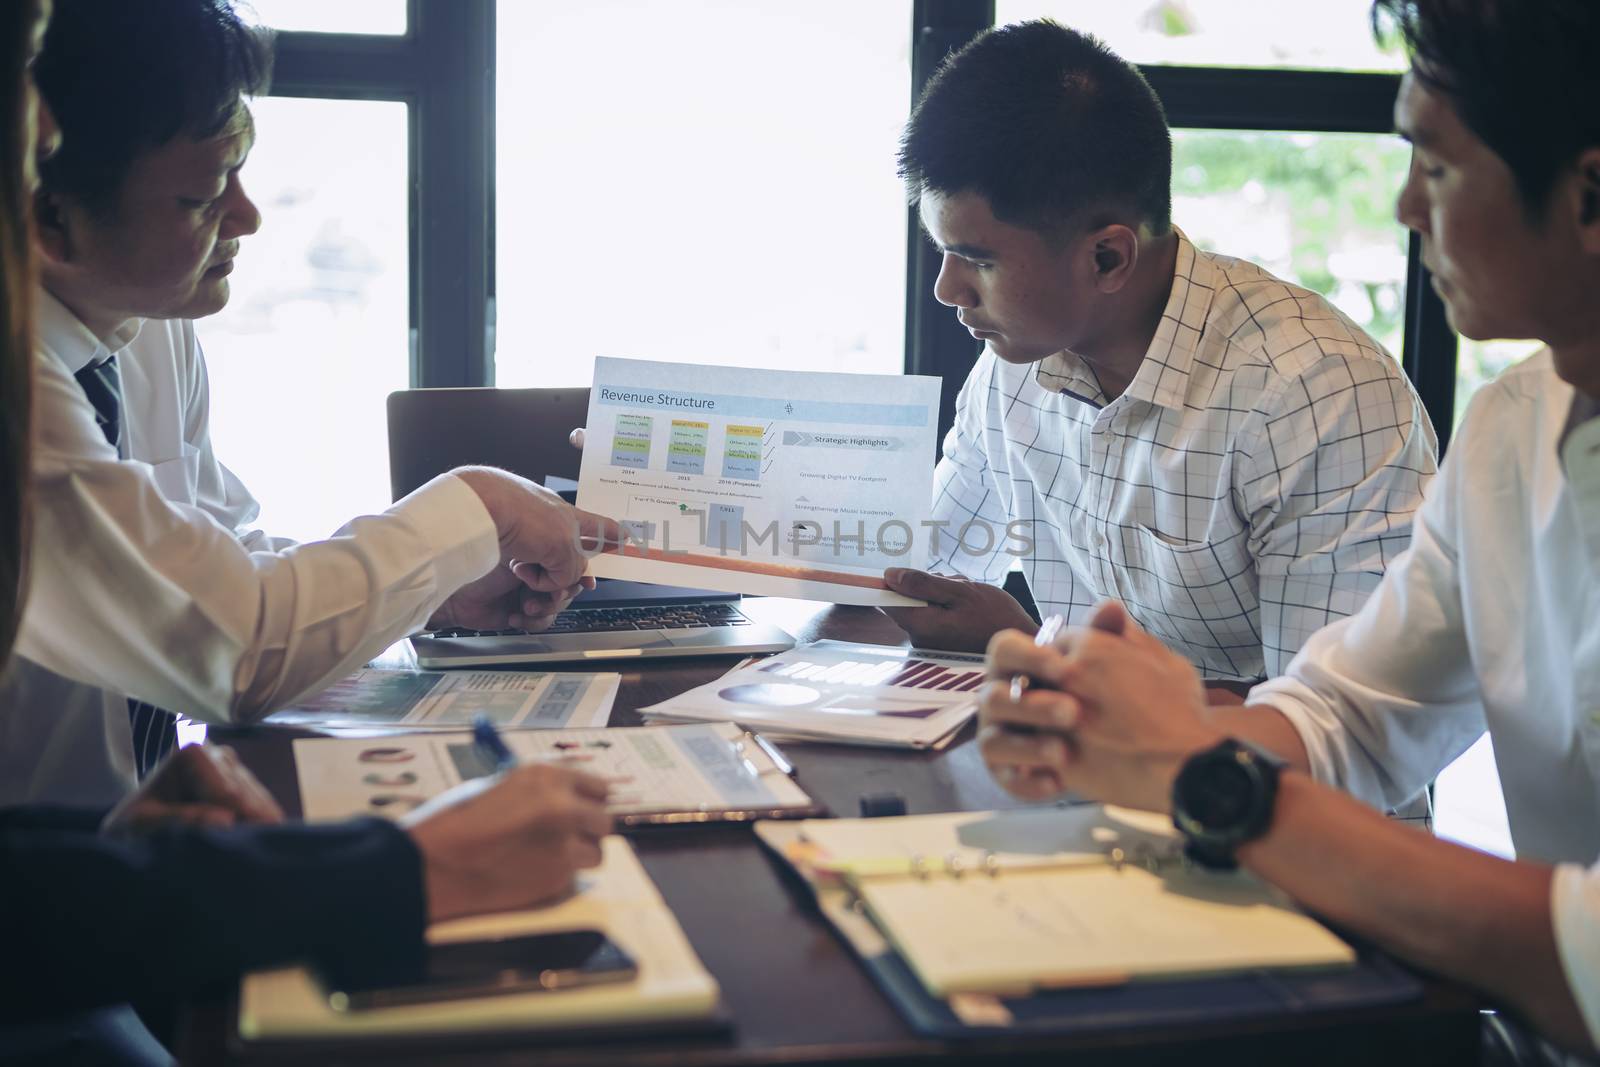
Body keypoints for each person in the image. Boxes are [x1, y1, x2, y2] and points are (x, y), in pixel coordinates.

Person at [978, 0, 1600, 1058]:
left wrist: (1199, 772)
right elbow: (1349, 712)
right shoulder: (1509, 427)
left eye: (1437, 167)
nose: (1404, 204)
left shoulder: (1308, 382)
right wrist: (1115, 728)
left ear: (1588, 195)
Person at [0, 12, 610, 1065]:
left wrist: (433, 586)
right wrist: (472, 502)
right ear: (45, 208)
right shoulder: (23, 391)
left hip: (88, 861)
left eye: (237, 168)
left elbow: (213, 560)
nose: (246, 216)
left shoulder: (137, 330)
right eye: (198, 197)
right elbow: (236, 646)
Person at [879, 21, 1437, 706]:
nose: (946, 290)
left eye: (980, 261)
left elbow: (1329, 726)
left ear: (1107, 257)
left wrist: (1041, 656)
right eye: (943, 251)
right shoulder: (1013, 364)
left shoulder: (1316, 395)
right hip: (1076, 779)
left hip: (1265, 805)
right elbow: (925, 572)